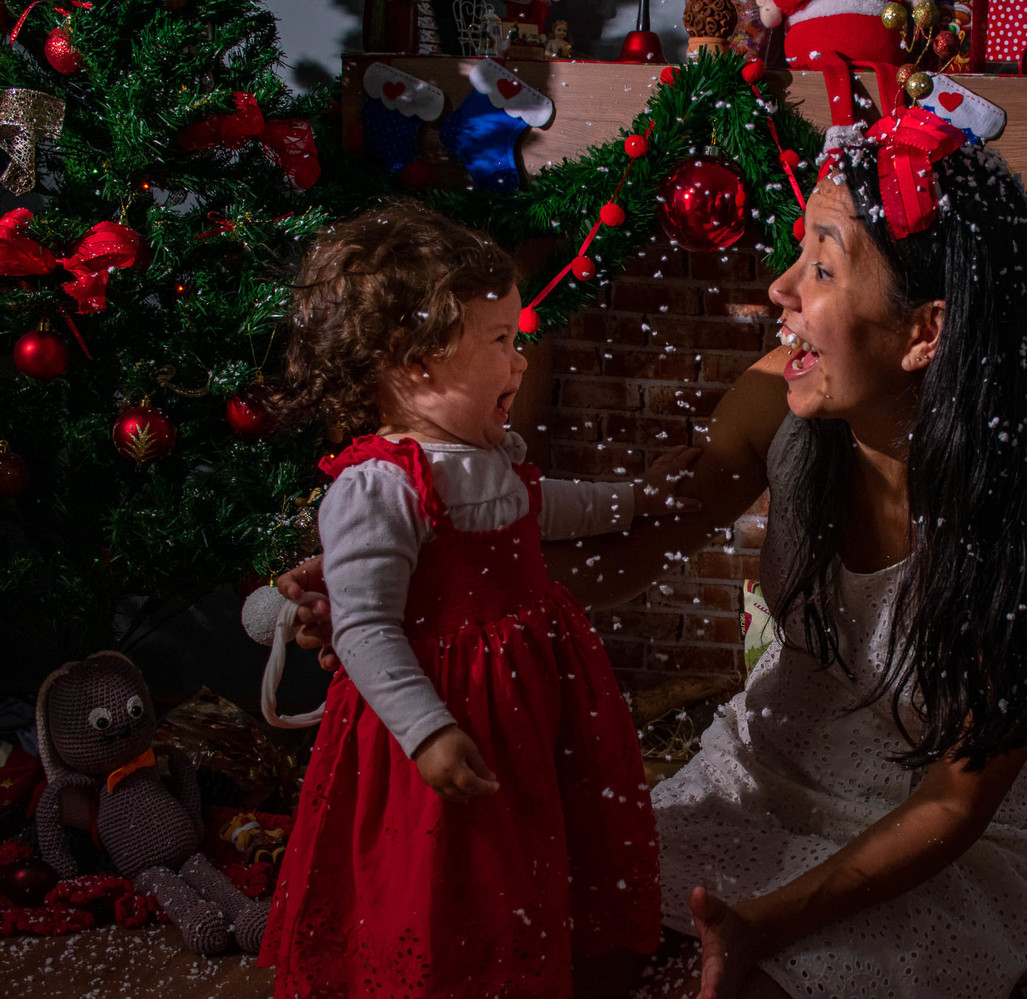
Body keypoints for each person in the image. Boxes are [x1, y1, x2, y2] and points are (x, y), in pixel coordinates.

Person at [277, 109, 1027, 999]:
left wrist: (765, 924)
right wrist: (421, 588)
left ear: (923, 331)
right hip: (754, 784)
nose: (780, 289)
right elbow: (623, 556)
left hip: (920, 854)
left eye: (823, 268)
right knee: (525, 937)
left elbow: (955, 804)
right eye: (797, 252)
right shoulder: (774, 402)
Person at [258, 201, 699, 999]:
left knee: (531, 836)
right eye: (500, 341)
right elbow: (362, 626)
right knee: (449, 860)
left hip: (528, 694)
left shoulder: (484, 454)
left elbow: (543, 504)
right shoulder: (377, 485)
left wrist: (633, 499)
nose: (520, 361)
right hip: (445, 706)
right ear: (417, 363)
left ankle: (529, 955)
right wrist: (428, 730)